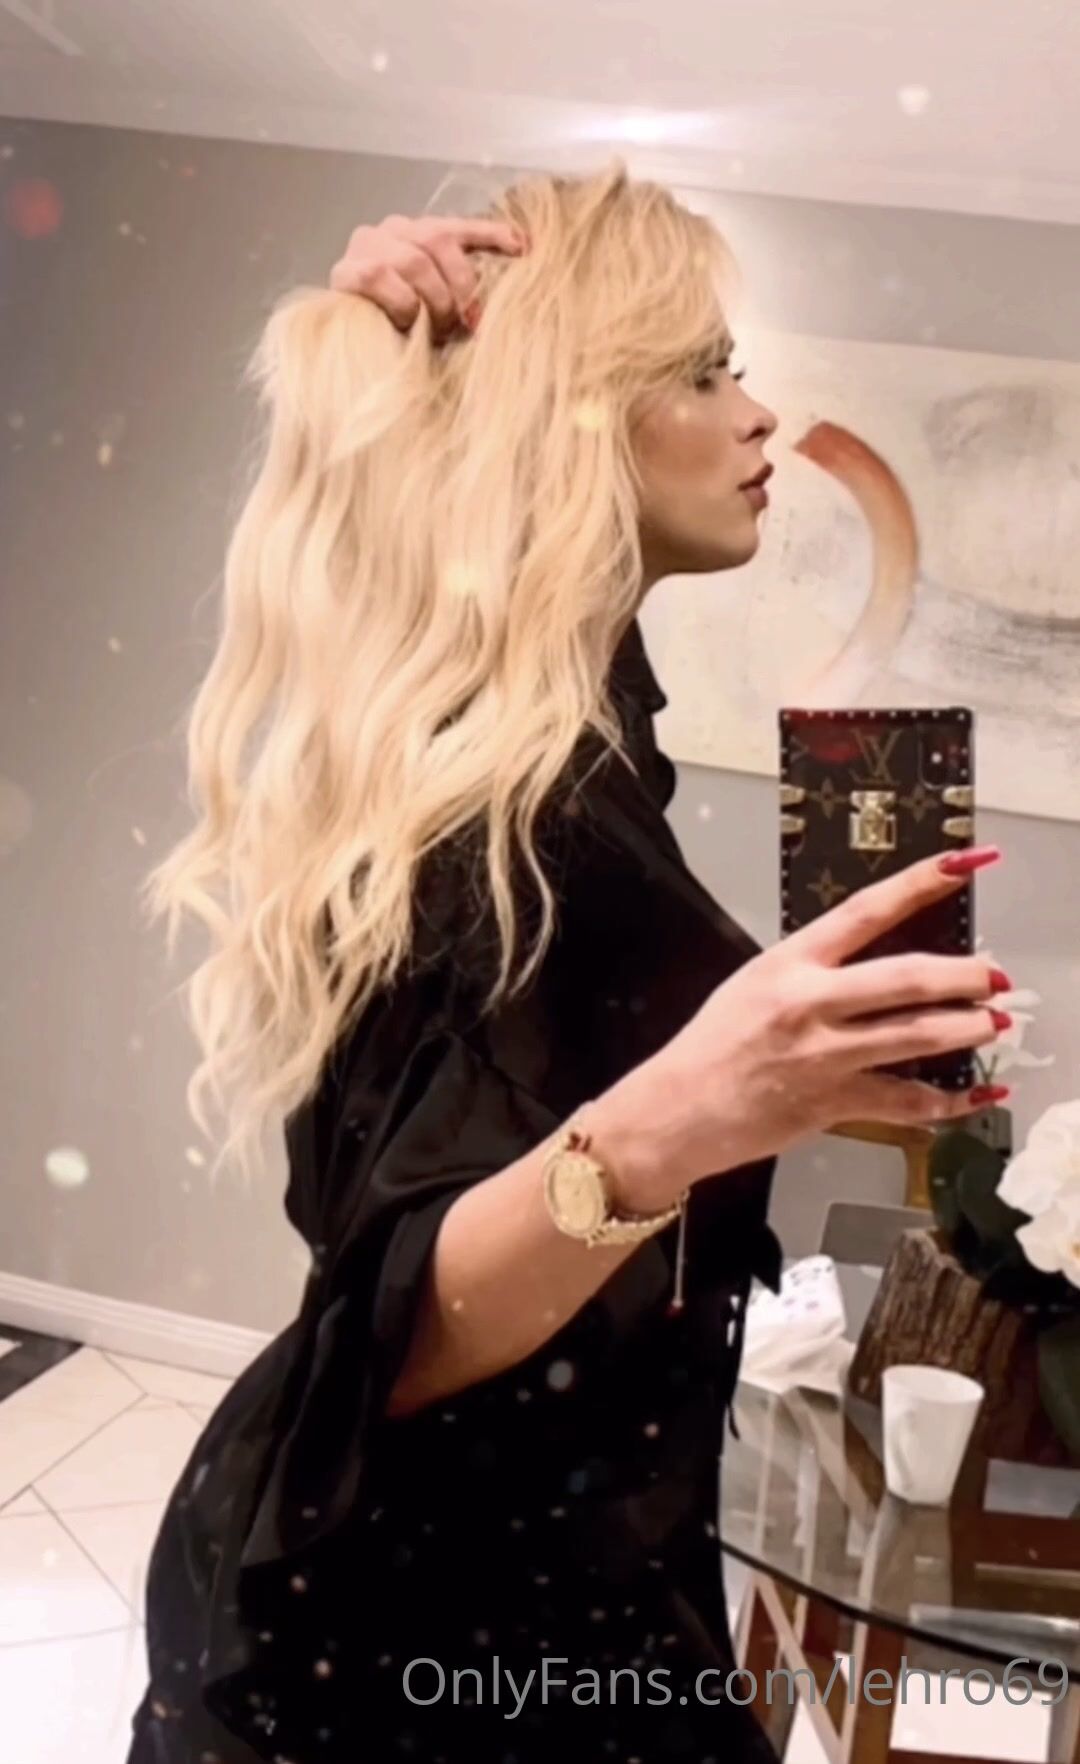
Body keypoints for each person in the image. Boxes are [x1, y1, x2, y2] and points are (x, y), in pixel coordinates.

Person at [127, 166, 1010, 1764]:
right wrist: (688, 1114)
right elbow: (392, 1323)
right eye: (705, 371)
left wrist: (799, 1075)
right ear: (571, 421)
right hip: (411, 1622)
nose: (757, 414)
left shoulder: (583, 723)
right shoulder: (490, 804)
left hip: (561, 1537)